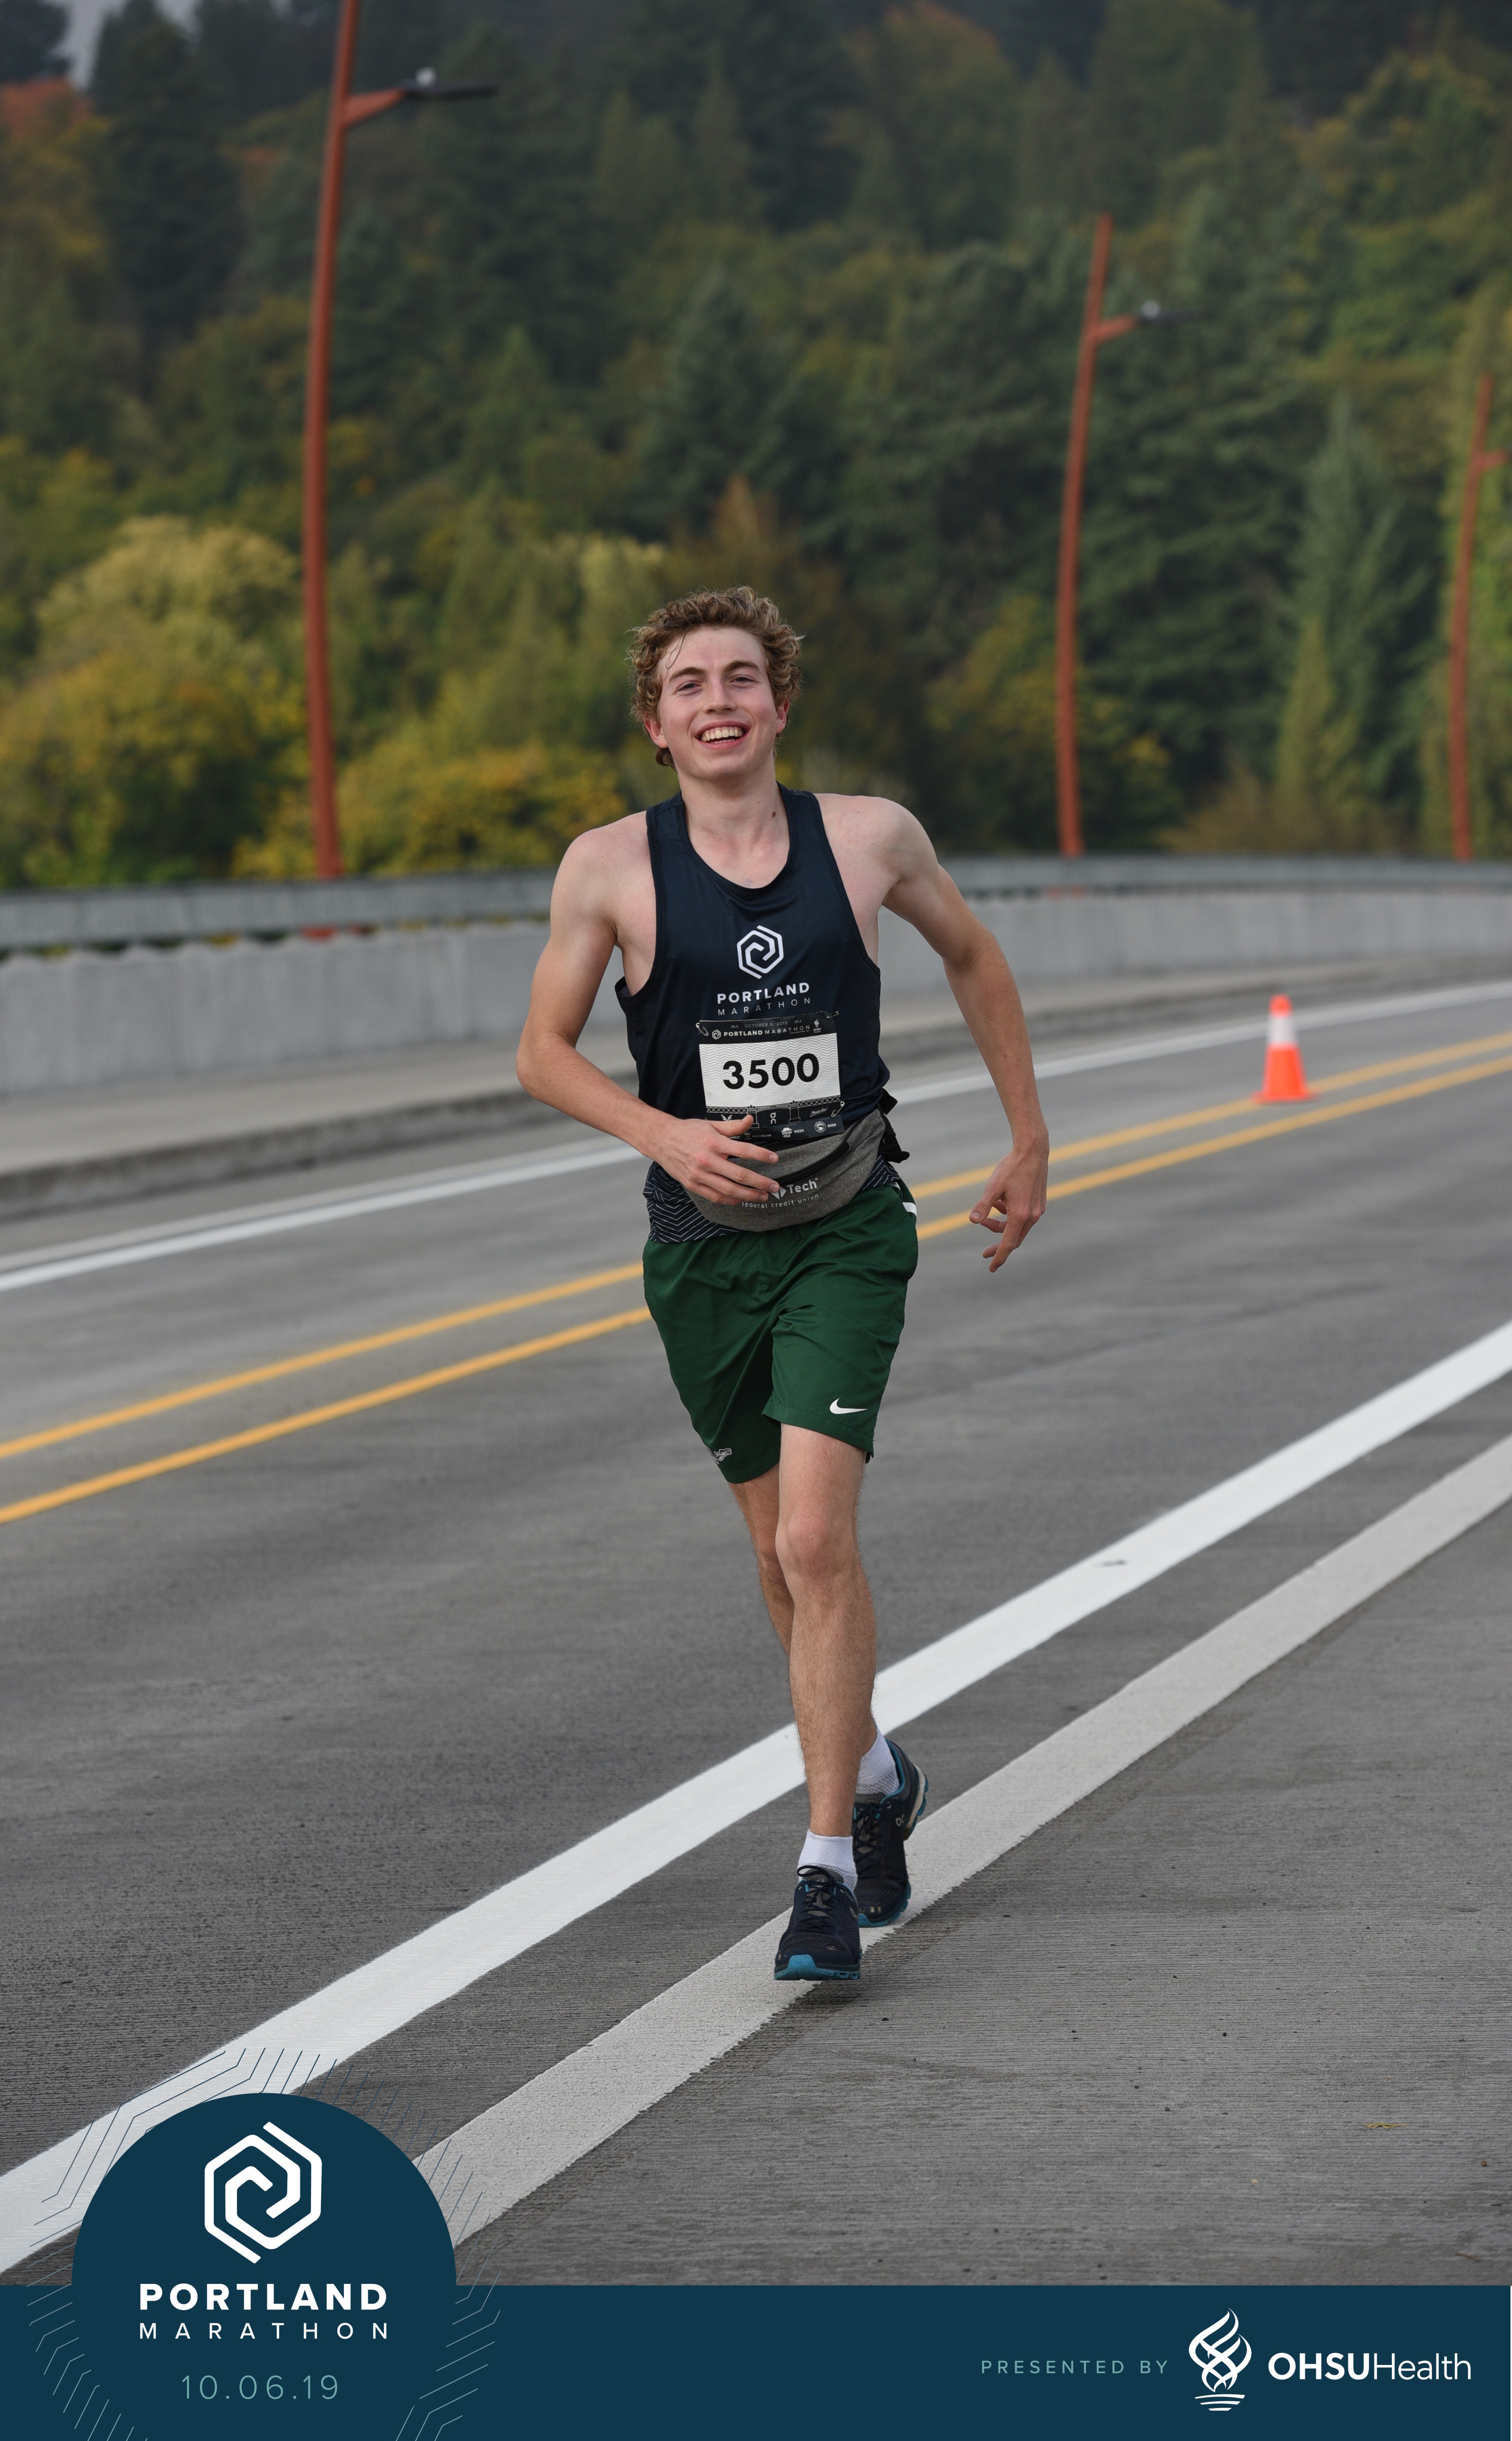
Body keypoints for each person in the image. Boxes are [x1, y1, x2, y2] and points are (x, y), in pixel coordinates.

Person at [517, 585, 1049, 1982]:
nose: (718, 702)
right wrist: (664, 1132)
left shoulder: (868, 837)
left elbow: (974, 954)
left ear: (781, 701)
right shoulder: (608, 867)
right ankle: (871, 1773)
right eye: (688, 684)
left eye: (741, 678)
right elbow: (543, 1051)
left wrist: (1028, 1136)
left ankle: (822, 1872)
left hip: (846, 1225)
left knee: (816, 1542)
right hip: (701, 1252)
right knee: (774, 1556)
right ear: (656, 722)